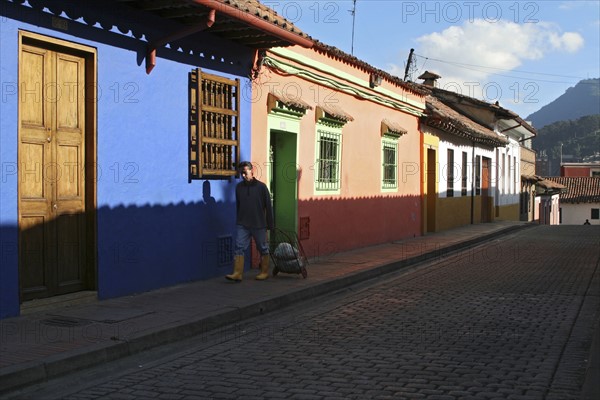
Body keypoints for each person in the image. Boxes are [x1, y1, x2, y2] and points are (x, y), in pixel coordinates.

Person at [226, 161, 274, 282]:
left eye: (244, 172)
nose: (242, 175)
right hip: (243, 224)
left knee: (263, 247)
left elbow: (268, 206)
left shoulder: (262, 187)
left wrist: (270, 224)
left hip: (259, 224)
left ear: (252, 171)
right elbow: (238, 205)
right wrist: (239, 220)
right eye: (241, 173)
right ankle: (237, 273)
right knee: (239, 247)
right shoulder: (239, 188)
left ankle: (264, 272)